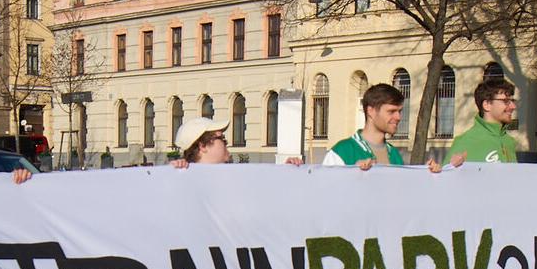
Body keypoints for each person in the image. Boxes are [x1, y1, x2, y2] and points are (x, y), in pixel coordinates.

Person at [323, 83, 453, 172]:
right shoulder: (341, 152)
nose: (398, 117)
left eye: (400, 111)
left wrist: (425, 175)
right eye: (391, 111)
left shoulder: (395, 155)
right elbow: (324, 196)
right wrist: (351, 175)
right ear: (371, 111)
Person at [171, 117, 303, 168]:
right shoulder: (181, 179)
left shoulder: (235, 176)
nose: (226, 143)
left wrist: (287, 173)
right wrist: (173, 172)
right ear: (203, 146)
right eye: (222, 139)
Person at [444, 77, 517, 164]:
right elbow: (445, 175)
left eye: (512, 101)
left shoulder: (509, 141)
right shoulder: (465, 141)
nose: (513, 106)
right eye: (506, 101)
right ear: (487, 105)